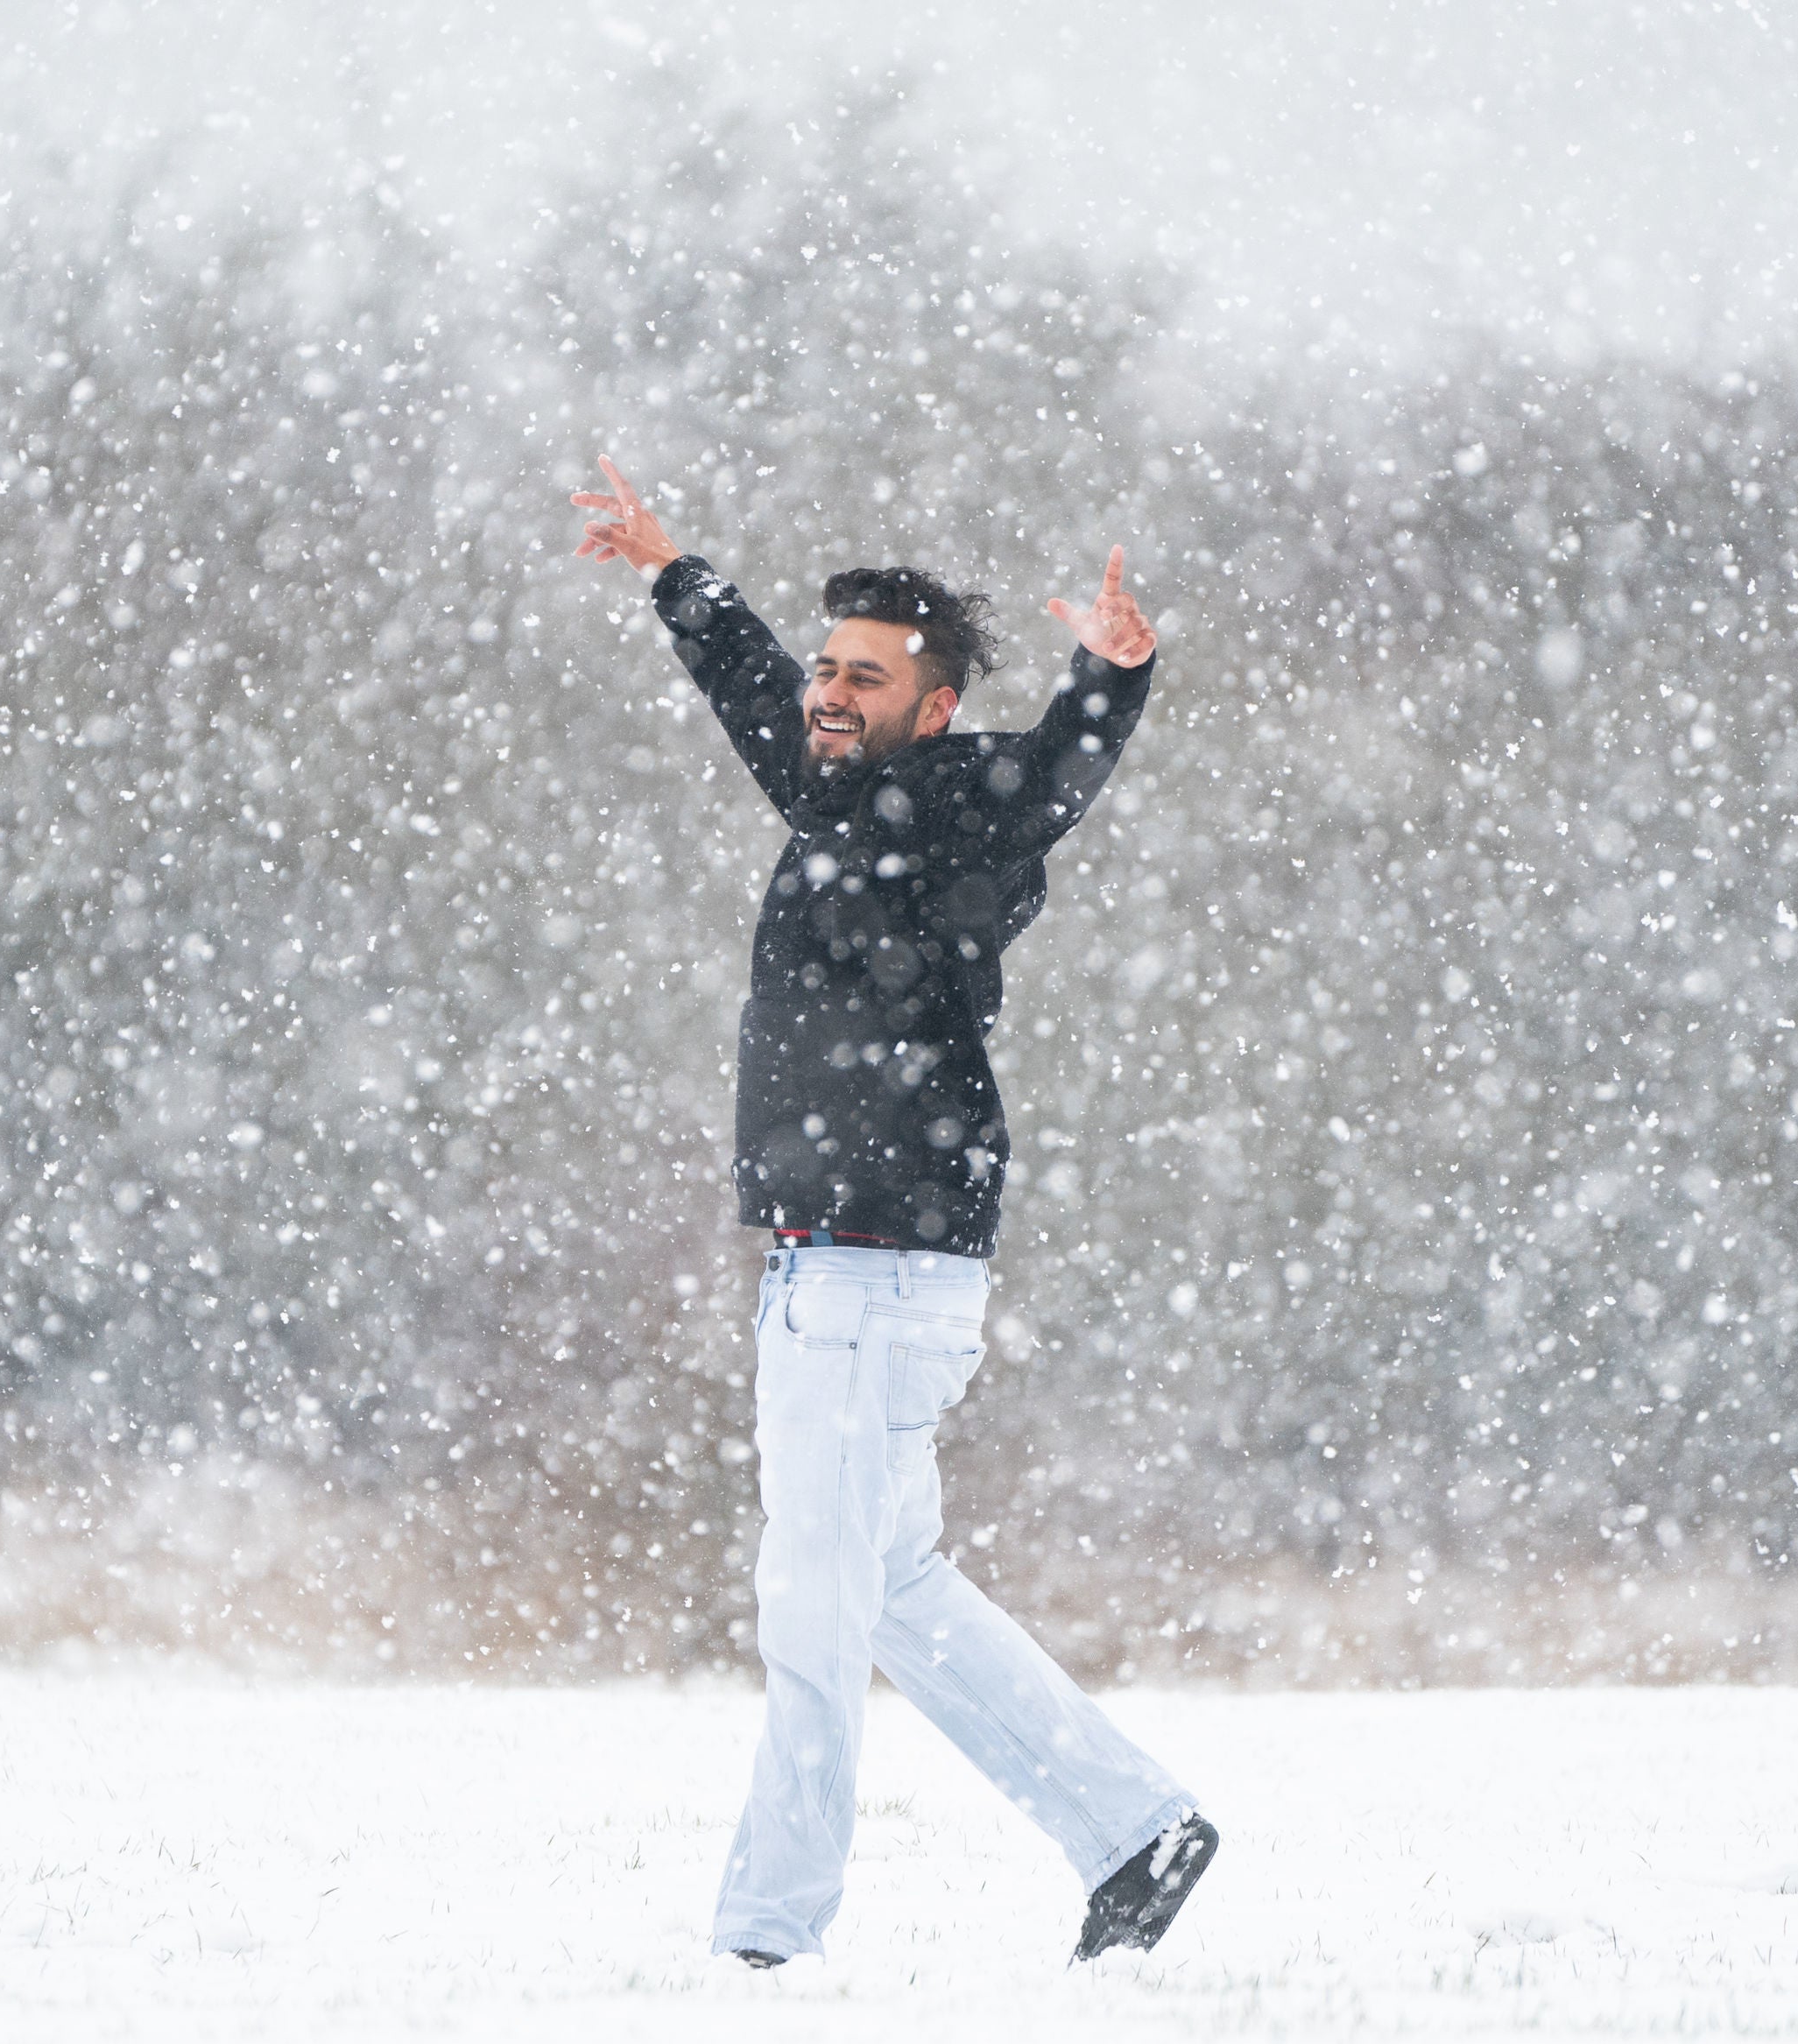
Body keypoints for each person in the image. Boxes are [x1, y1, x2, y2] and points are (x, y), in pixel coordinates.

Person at [569, 457, 1218, 1968]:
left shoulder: (940, 799)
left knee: (813, 1610)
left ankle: (763, 1947)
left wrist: (1112, 678)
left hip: (876, 1272)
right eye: (828, 666)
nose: (829, 691)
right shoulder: (840, 797)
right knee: (893, 1591)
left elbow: (1052, 772)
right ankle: (1135, 1827)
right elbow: (754, 702)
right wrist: (680, 576)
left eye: (867, 674)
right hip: (838, 1271)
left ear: (932, 709)